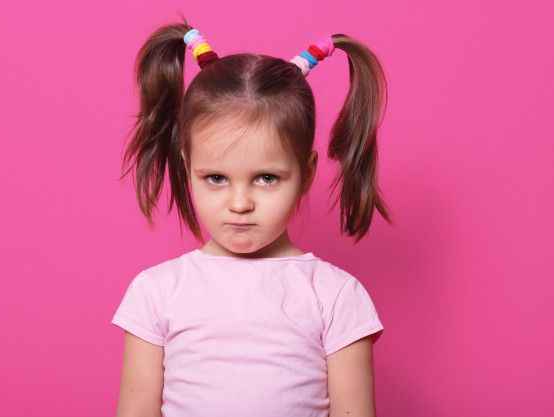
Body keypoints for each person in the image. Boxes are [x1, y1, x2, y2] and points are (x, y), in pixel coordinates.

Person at [111, 16, 392, 417]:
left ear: (307, 172)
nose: (240, 203)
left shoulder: (335, 296)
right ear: (188, 168)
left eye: (266, 178)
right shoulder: (156, 292)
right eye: (216, 178)